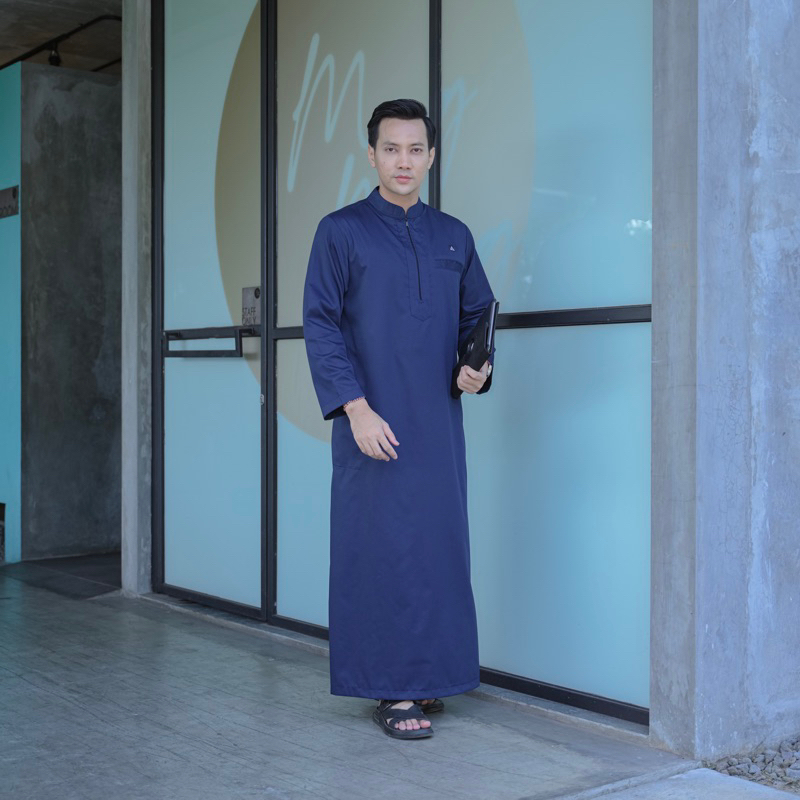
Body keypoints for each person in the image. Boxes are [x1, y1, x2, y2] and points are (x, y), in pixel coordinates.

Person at [302, 98, 495, 739]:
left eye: (415, 149)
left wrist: (476, 368)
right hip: (373, 424)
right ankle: (391, 688)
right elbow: (321, 324)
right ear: (372, 155)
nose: (403, 161)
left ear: (431, 156)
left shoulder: (454, 235)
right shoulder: (340, 232)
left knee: (437, 548)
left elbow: (479, 316)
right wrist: (355, 410)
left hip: (437, 425)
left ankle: (431, 676)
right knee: (379, 551)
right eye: (391, 149)